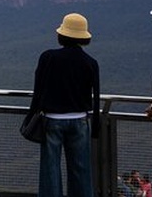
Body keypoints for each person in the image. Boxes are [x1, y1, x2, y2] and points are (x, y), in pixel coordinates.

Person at [29, 13, 100, 197]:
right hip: (80, 121)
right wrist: (96, 127)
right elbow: (95, 96)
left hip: (52, 120)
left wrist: (31, 116)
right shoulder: (91, 63)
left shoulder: (48, 57)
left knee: (50, 170)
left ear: (62, 34)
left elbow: (38, 89)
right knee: (81, 170)